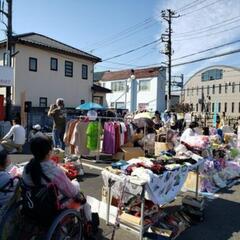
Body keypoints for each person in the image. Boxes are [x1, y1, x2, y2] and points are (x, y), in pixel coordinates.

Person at [22, 137, 92, 222]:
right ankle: (88, 223)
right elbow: (71, 192)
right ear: (48, 153)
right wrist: (79, 195)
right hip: (49, 208)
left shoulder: (27, 168)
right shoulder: (53, 171)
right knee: (78, 190)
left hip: (31, 205)